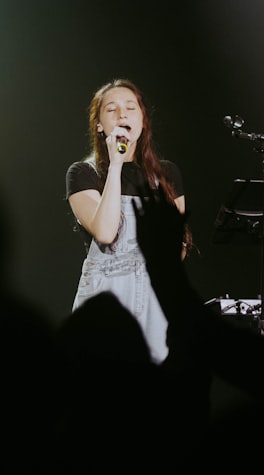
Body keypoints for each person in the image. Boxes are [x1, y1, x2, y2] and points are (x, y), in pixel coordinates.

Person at [65, 78, 194, 364]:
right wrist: (115, 166)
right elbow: (106, 232)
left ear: (143, 120)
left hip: (157, 297)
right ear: (99, 125)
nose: (122, 115)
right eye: (111, 110)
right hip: (106, 299)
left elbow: (178, 248)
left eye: (130, 108)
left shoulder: (167, 175)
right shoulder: (82, 173)